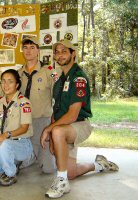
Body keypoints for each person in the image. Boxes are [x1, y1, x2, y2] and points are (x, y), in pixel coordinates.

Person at [40, 39, 119, 198]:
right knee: (71, 172)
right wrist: (53, 133)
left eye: (64, 51)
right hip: (64, 128)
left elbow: (73, 114)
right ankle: (100, 164)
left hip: (80, 125)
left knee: (58, 133)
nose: (60, 55)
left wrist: (50, 130)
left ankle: (61, 182)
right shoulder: (59, 81)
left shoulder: (79, 78)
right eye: (57, 52)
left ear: (73, 54)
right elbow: (56, 111)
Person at [0, 69, 33, 186]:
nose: (6, 85)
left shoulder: (24, 102)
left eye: (10, 81)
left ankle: (11, 174)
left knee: (3, 143)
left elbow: (25, 128)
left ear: (17, 85)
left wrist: (5, 135)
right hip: (4, 144)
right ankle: (12, 165)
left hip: (22, 144)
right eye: (3, 81)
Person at [18, 36, 60, 173]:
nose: (28, 51)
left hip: (42, 121)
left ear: (38, 50)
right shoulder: (18, 74)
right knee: (18, 161)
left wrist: (54, 122)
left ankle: (37, 155)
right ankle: (31, 155)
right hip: (23, 122)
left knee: (48, 169)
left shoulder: (49, 71)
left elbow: (58, 96)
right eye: (25, 47)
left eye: (32, 47)